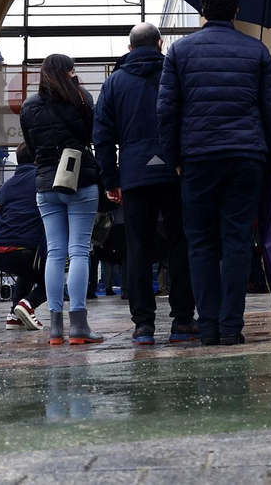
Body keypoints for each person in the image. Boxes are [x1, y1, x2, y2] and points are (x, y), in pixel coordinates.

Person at [158, 0, 271, 346]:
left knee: (200, 243)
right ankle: (232, 327)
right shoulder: (256, 51)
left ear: (201, 12)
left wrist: (174, 158)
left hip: (197, 158)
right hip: (246, 157)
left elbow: (166, 110)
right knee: (237, 241)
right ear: (236, 13)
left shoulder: (179, 52)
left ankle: (208, 327)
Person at [95, 22, 199, 345]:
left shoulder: (114, 83)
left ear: (129, 49)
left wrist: (111, 179)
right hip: (174, 172)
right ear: (160, 43)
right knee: (180, 242)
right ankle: (183, 320)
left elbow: (102, 136)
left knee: (137, 246)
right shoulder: (176, 74)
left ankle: (143, 326)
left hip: (134, 176)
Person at [21, 53, 104, 345]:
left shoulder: (29, 106)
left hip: (45, 183)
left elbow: (30, 146)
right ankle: (79, 325)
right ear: (69, 72)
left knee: (55, 253)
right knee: (79, 251)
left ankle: (55, 329)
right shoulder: (81, 98)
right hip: (80, 179)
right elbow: (94, 134)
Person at [0, 144, 47, 330]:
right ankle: (28, 304)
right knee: (52, 279)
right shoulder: (40, 178)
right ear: (36, 159)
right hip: (24, 247)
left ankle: (13, 316)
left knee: (27, 273)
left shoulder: (5, 187)